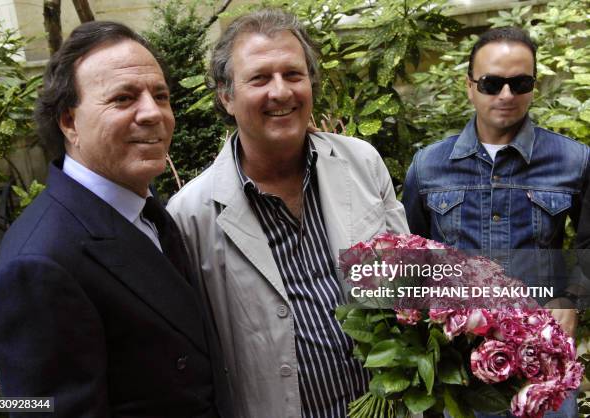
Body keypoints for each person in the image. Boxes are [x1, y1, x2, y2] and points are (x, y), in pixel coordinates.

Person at [166, 8, 409, 418]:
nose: (280, 92)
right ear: (226, 96)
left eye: (293, 75)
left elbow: (408, 286)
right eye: (259, 78)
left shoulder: (362, 163)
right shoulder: (190, 214)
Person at [0, 21, 231, 417]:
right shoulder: (36, 267)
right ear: (68, 122)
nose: (152, 113)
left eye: (161, 95)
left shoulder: (149, 211)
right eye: (123, 98)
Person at [403, 26, 588, 418]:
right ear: (469, 86)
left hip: (542, 363)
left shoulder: (573, 162)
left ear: (534, 87)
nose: (506, 95)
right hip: (457, 368)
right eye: (492, 83)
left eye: (520, 83)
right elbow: (414, 258)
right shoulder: (428, 166)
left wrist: (572, 300)